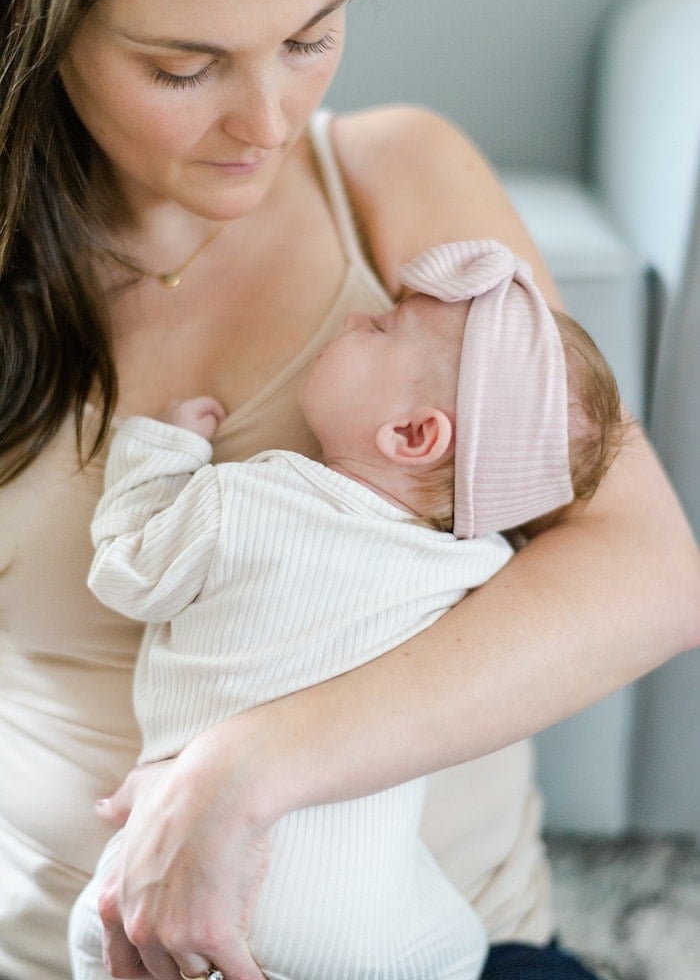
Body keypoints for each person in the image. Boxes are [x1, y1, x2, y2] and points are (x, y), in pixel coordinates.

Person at [0, 0, 698, 979]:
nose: (267, 122)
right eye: (183, 68)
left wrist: (248, 767)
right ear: (46, 32)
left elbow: (648, 576)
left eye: (309, 37)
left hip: (441, 950)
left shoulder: (391, 170)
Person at [69, 239, 624, 980]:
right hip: (372, 934)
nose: (362, 317)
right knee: (459, 952)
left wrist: (158, 451)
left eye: (384, 330)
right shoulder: (481, 571)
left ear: (414, 434)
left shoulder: (248, 502)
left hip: (173, 875)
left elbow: (127, 569)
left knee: (97, 939)